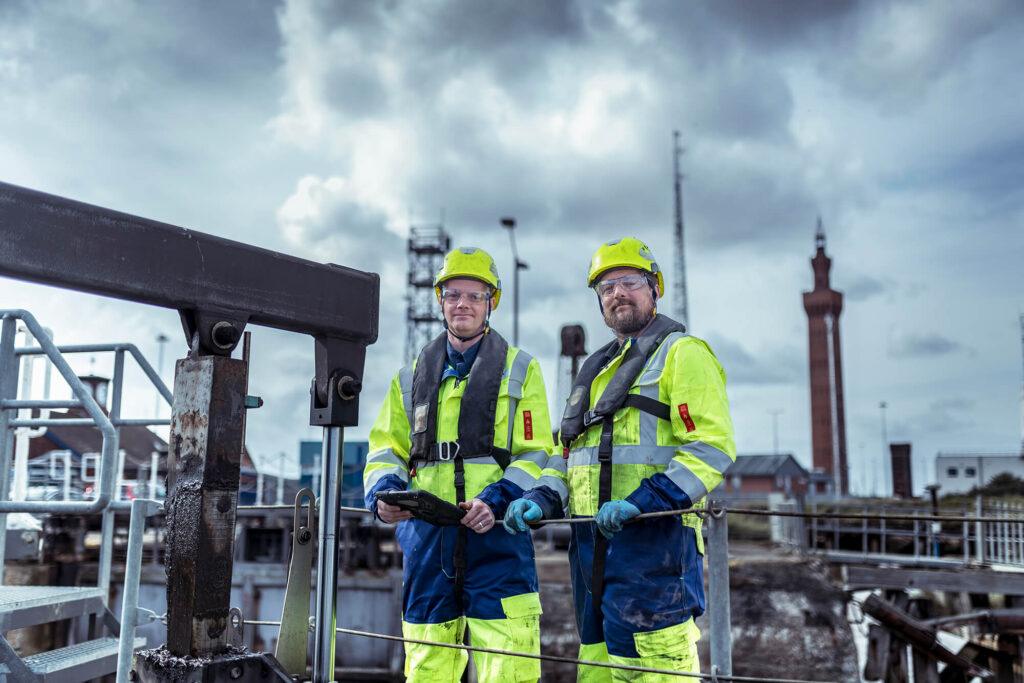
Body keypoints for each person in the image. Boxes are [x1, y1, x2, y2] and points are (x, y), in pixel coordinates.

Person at [504, 237, 736, 681]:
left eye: (629, 281)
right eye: (606, 287)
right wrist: (541, 497)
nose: (617, 293)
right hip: (590, 552)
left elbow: (711, 447)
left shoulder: (683, 355)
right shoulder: (595, 370)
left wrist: (644, 502)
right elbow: (566, 455)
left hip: (657, 548)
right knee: (597, 668)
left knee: (656, 668)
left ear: (655, 289)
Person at [363, 246, 564, 682]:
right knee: (427, 663)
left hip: (497, 539)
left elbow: (536, 452)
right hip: (426, 540)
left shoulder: (520, 370)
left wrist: (496, 500)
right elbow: (385, 448)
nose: (462, 305)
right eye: (453, 294)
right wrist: (382, 496)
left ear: (491, 302)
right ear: (440, 300)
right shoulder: (411, 375)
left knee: (507, 663)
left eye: (474, 296)